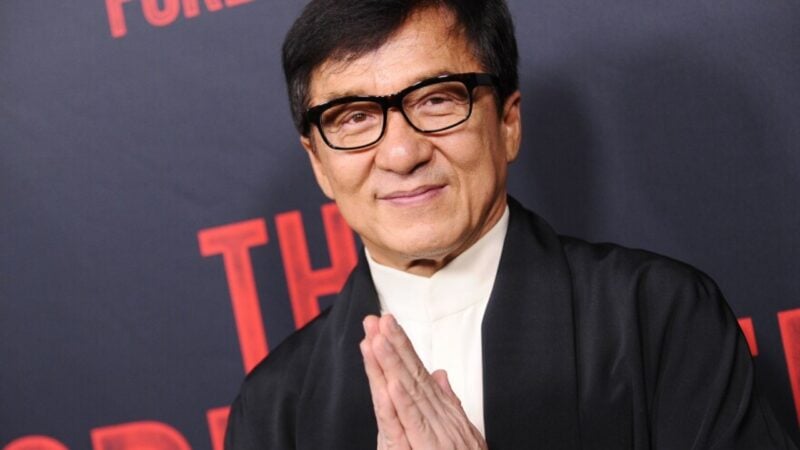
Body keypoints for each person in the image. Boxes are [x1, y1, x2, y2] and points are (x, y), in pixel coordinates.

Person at [225, 0, 796, 448]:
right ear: (319, 164)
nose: (401, 153)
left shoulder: (657, 315)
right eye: (352, 117)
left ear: (508, 123)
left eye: (437, 100)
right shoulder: (275, 410)